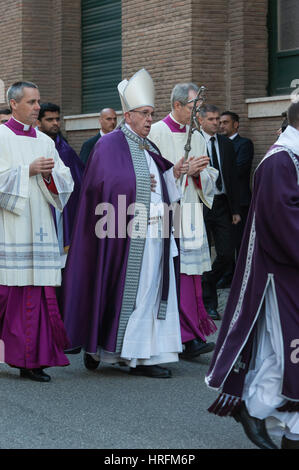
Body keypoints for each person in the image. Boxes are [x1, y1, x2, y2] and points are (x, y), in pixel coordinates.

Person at [62, 68, 185, 378]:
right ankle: (123, 353)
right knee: (134, 290)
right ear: (127, 116)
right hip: (124, 233)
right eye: (144, 113)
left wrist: (177, 173)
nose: (149, 119)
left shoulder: (150, 147)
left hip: (156, 230)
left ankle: (143, 354)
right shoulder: (109, 145)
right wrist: (142, 186)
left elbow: (159, 184)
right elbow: (106, 187)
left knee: (152, 291)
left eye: (152, 113)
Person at [205, 101, 299, 450]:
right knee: (287, 349)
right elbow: (282, 221)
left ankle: (288, 426)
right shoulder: (281, 160)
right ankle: (255, 409)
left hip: (290, 271)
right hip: (282, 272)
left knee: (285, 351)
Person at [0, 81, 74, 382]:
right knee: (11, 294)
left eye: (38, 102)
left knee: (38, 296)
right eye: (31, 103)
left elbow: (65, 183)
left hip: (41, 226)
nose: (37, 108)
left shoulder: (45, 141)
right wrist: (26, 171)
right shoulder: (1, 137)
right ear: (13, 104)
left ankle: (32, 360)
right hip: (11, 228)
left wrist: (51, 176)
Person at [149, 82, 218, 360]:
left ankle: (191, 335)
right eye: (194, 108)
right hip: (166, 213)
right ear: (177, 105)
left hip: (191, 213)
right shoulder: (156, 132)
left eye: (199, 108)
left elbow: (210, 173)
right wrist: (178, 172)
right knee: (171, 274)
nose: (197, 113)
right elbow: (148, 176)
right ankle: (179, 336)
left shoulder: (197, 135)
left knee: (191, 276)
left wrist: (199, 174)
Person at [198, 104, 240, 320]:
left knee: (225, 252)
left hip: (222, 204)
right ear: (201, 120)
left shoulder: (225, 143)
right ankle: (209, 303)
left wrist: (235, 209)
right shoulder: (195, 141)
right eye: (212, 119)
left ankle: (208, 281)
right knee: (204, 253)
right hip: (201, 204)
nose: (216, 123)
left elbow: (232, 177)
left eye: (218, 119)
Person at [37, 103, 84, 269]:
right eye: (49, 119)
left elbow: (80, 182)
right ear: (38, 122)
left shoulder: (66, 150)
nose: (55, 123)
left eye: (57, 119)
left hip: (62, 211)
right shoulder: (33, 146)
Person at [218, 111, 254, 287]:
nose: (221, 125)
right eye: (220, 122)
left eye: (225, 122)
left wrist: (215, 172)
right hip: (222, 203)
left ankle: (241, 277)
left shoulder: (244, 144)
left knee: (240, 241)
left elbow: (239, 169)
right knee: (225, 242)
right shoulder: (217, 144)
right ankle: (227, 274)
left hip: (240, 202)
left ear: (236, 124)